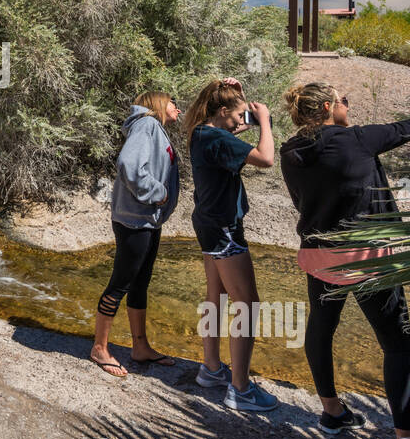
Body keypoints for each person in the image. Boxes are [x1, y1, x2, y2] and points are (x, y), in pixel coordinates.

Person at [279, 81, 410, 439]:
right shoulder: (357, 140)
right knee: (397, 346)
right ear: (329, 107)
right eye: (343, 100)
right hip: (367, 259)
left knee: (321, 330)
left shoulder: (290, 151)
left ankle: (332, 412)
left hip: (319, 257)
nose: (348, 104)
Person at [184, 77, 278, 411]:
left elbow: (230, 128)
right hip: (224, 228)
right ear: (222, 111)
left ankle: (211, 368)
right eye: (238, 116)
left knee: (216, 296)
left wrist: (235, 91)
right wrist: (264, 121)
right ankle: (240, 389)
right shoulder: (218, 138)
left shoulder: (201, 131)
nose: (243, 122)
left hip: (208, 223)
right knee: (247, 304)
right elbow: (266, 159)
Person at [92, 92, 182, 378]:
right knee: (120, 283)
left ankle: (140, 347)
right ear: (157, 104)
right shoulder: (147, 124)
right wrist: (157, 194)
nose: (177, 107)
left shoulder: (151, 127)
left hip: (146, 220)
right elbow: (129, 165)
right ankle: (99, 348)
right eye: (172, 102)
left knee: (139, 284)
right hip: (136, 220)